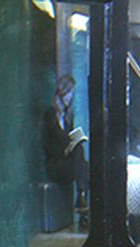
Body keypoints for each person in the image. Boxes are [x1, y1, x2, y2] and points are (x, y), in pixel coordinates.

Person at [43, 74, 89, 230]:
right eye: (69, 93)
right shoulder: (50, 115)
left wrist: (71, 145)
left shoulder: (67, 118)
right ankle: (82, 197)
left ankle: (83, 201)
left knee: (83, 160)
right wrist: (68, 147)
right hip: (55, 164)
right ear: (60, 93)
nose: (70, 97)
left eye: (72, 93)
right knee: (80, 156)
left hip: (68, 163)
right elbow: (49, 146)